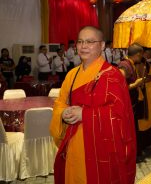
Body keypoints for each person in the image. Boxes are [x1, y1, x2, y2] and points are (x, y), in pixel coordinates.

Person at [50, 26, 136, 184]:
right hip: (74, 145)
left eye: (90, 42)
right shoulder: (72, 74)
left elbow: (119, 114)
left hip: (100, 150)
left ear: (102, 45)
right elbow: (60, 102)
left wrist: (84, 114)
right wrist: (62, 113)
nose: (83, 46)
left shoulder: (112, 75)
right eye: (80, 42)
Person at [118, 43, 144, 160]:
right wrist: (136, 84)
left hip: (132, 103)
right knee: (128, 130)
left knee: (133, 129)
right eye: (141, 55)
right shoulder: (124, 65)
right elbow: (119, 86)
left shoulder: (131, 64)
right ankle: (129, 154)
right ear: (138, 54)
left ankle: (134, 152)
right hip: (127, 104)